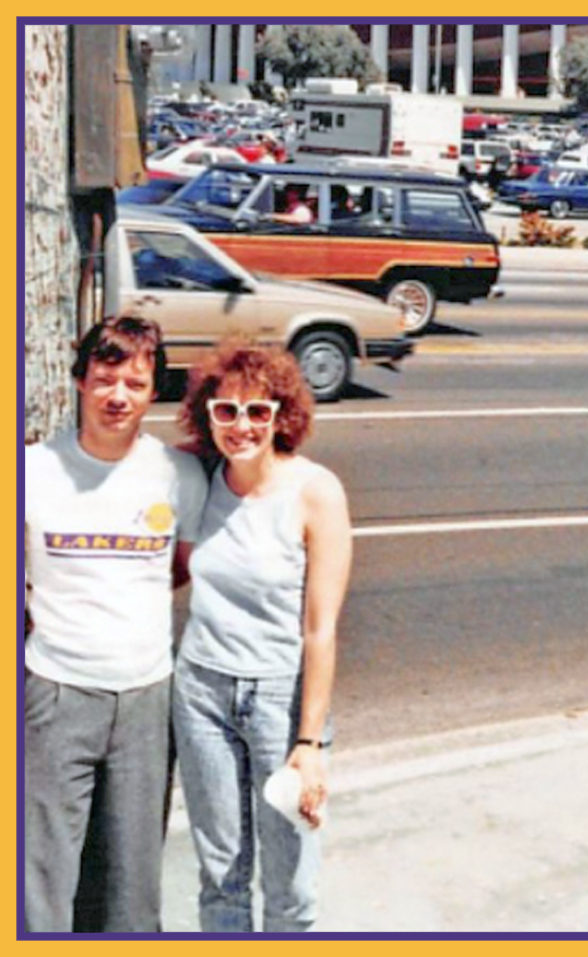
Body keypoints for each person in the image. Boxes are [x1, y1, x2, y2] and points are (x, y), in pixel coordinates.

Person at [23, 316, 207, 932]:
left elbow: (178, 569)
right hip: (54, 693)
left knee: (133, 882)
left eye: (134, 380)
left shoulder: (176, 476)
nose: (118, 395)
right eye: (104, 379)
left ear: (153, 388)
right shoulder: (31, 471)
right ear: (80, 382)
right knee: (40, 875)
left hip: (146, 698)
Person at [173, 340, 352, 933]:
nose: (242, 425)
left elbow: (321, 629)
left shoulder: (315, 491)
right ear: (207, 417)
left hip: (280, 700)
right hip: (200, 692)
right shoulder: (199, 481)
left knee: (290, 882)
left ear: (282, 415)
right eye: (226, 411)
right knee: (221, 871)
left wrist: (310, 744)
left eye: (258, 411)